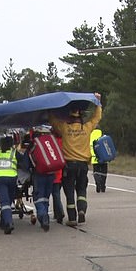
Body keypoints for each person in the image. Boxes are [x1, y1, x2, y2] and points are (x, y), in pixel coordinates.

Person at [49, 92, 102, 226]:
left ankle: (72, 218)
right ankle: (82, 210)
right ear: (80, 116)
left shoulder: (64, 128)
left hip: (69, 165)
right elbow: (97, 117)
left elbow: (53, 121)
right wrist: (98, 102)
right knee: (81, 190)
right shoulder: (87, 127)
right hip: (83, 165)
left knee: (69, 190)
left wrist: (50, 107)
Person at [0, 135, 21, 234]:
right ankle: (5, 222)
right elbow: (23, 163)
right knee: (9, 200)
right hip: (12, 178)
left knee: (4, 201)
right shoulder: (14, 152)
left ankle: (7, 222)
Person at [90, 125, 108, 193]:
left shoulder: (90, 136)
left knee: (96, 172)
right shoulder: (103, 135)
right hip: (104, 157)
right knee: (104, 172)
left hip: (94, 158)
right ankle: (103, 186)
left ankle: (98, 184)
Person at [51, 133, 65, 224]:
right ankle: (57, 213)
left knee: (55, 194)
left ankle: (59, 212)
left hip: (52, 171)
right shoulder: (63, 141)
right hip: (60, 170)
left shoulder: (51, 142)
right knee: (56, 193)